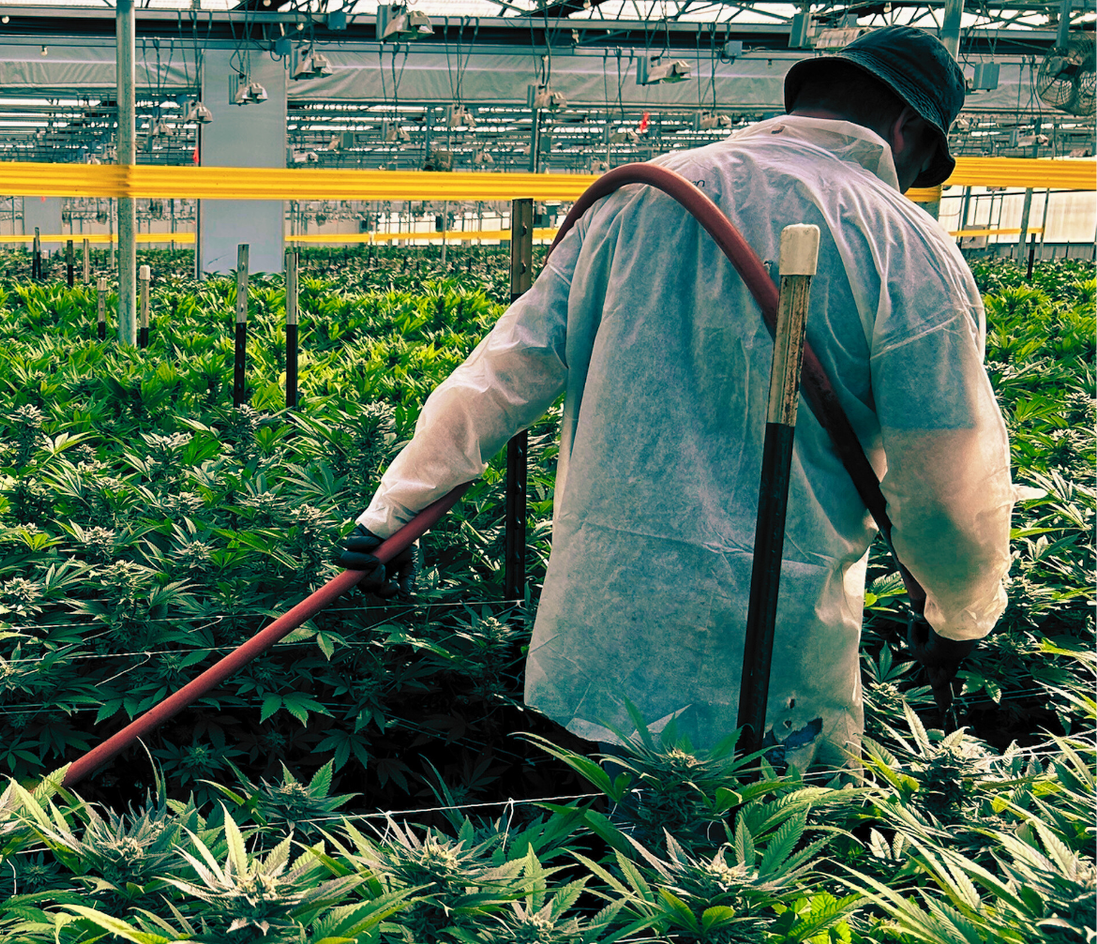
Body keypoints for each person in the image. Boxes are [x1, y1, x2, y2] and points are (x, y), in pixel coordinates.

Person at [337, 26, 1013, 769]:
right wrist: (959, 615)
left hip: (606, 642)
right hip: (776, 661)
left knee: (614, 863)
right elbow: (948, 483)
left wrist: (393, 513)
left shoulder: (639, 198)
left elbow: (504, 370)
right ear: (908, 130)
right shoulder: (906, 245)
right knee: (750, 871)